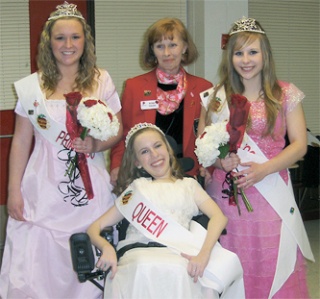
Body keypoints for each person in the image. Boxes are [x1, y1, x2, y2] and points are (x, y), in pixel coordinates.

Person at [0, 2, 123, 298]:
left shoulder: (100, 79)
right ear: (49, 42)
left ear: (85, 41)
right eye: (60, 38)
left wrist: (94, 144)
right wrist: (13, 191)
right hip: (42, 185)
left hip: (89, 186)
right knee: (38, 265)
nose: (68, 45)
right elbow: (20, 141)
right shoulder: (33, 87)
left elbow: (117, 130)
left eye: (75, 37)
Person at [197, 17, 314, 298]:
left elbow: (299, 145)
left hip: (271, 195)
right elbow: (203, 146)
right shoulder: (215, 97)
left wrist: (264, 170)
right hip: (227, 198)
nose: (246, 60)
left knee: (274, 259)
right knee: (232, 261)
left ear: (265, 54)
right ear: (230, 57)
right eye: (239, 53)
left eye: (253, 52)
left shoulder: (285, 94)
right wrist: (217, 161)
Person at [87, 123, 245, 299]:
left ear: (168, 149)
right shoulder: (136, 189)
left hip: (179, 254)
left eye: (157, 146)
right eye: (144, 151)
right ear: (137, 163)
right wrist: (106, 247)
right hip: (138, 256)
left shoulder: (189, 184)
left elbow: (218, 218)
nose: (154, 155)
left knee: (181, 270)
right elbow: (94, 228)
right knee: (143, 265)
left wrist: (204, 255)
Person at [110, 18, 213, 185]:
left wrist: (209, 168)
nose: (167, 53)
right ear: (152, 50)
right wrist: (116, 166)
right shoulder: (134, 87)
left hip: (189, 175)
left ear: (185, 47)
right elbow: (123, 133)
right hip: (143, 175)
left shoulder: (204, 88)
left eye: (173, 45)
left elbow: (210, 138)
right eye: (160, 46)